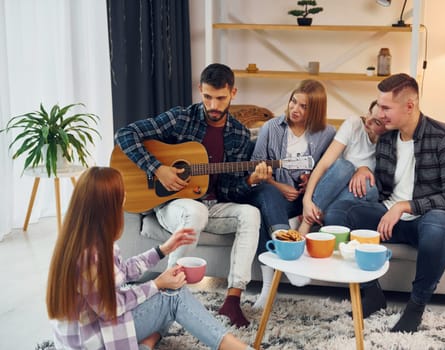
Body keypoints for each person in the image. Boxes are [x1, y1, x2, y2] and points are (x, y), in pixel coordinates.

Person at [114, 63, 260, 327]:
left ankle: (233, 300)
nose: (213, 105)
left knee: (251, 213)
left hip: (213, 205)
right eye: (207, 97)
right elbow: (125, 135)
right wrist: (157, 168)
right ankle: (170, 296)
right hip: (174, 204)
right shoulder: (181, 118)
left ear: (233, 93)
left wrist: (250, 179)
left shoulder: (239, 134)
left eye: (220, 98)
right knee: (196, 210)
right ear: (200, 91)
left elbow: (230, 191)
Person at [324, 73, 445, 333]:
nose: (379, 113)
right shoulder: (387, 138)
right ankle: (371, 294)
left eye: (386, 108)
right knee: (338, 212)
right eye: (379, 105)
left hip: (428, 218)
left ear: (410, 106)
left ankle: (415, 308)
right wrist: (361, 170)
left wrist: (405, 207)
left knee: (438, 227)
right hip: (388, 215)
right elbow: (378, 184)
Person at [46, 167, 253, 350]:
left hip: (92, 332)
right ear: (107, 206)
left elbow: (122, 271)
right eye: (121, 193)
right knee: (174, 297)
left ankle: (147, 342)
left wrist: (163, 250)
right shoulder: (90, 255)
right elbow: (113, 307)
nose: (125, 196)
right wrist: (157, 284)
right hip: (94, 341)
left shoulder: (85, 237)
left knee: (165, 294)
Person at [245, 79, 336, 308]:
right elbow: (255, 166)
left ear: (315, 110)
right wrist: (279, 186)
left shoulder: (327, 133)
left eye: (304, 106)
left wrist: (311, 181)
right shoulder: (272, 128)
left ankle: (277, 273)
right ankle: (286, 256)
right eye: (293, 102)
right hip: (275, 196)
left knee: (262, 214)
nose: (295, 109)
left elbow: (330, 169)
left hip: (305, 200)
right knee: (263, 203)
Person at [298, 100, 387, 234]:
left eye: (377, 122)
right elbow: (324, 164)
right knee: (344, 166)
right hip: (331, 188)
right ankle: (308, 220)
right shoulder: (354, 124)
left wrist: (364, 170)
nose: (368, 121)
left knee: (369, 187)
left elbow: (382, 186)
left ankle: (320, 216)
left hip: (351, 198)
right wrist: (306, 200)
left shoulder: (388, 145)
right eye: (369, 113)